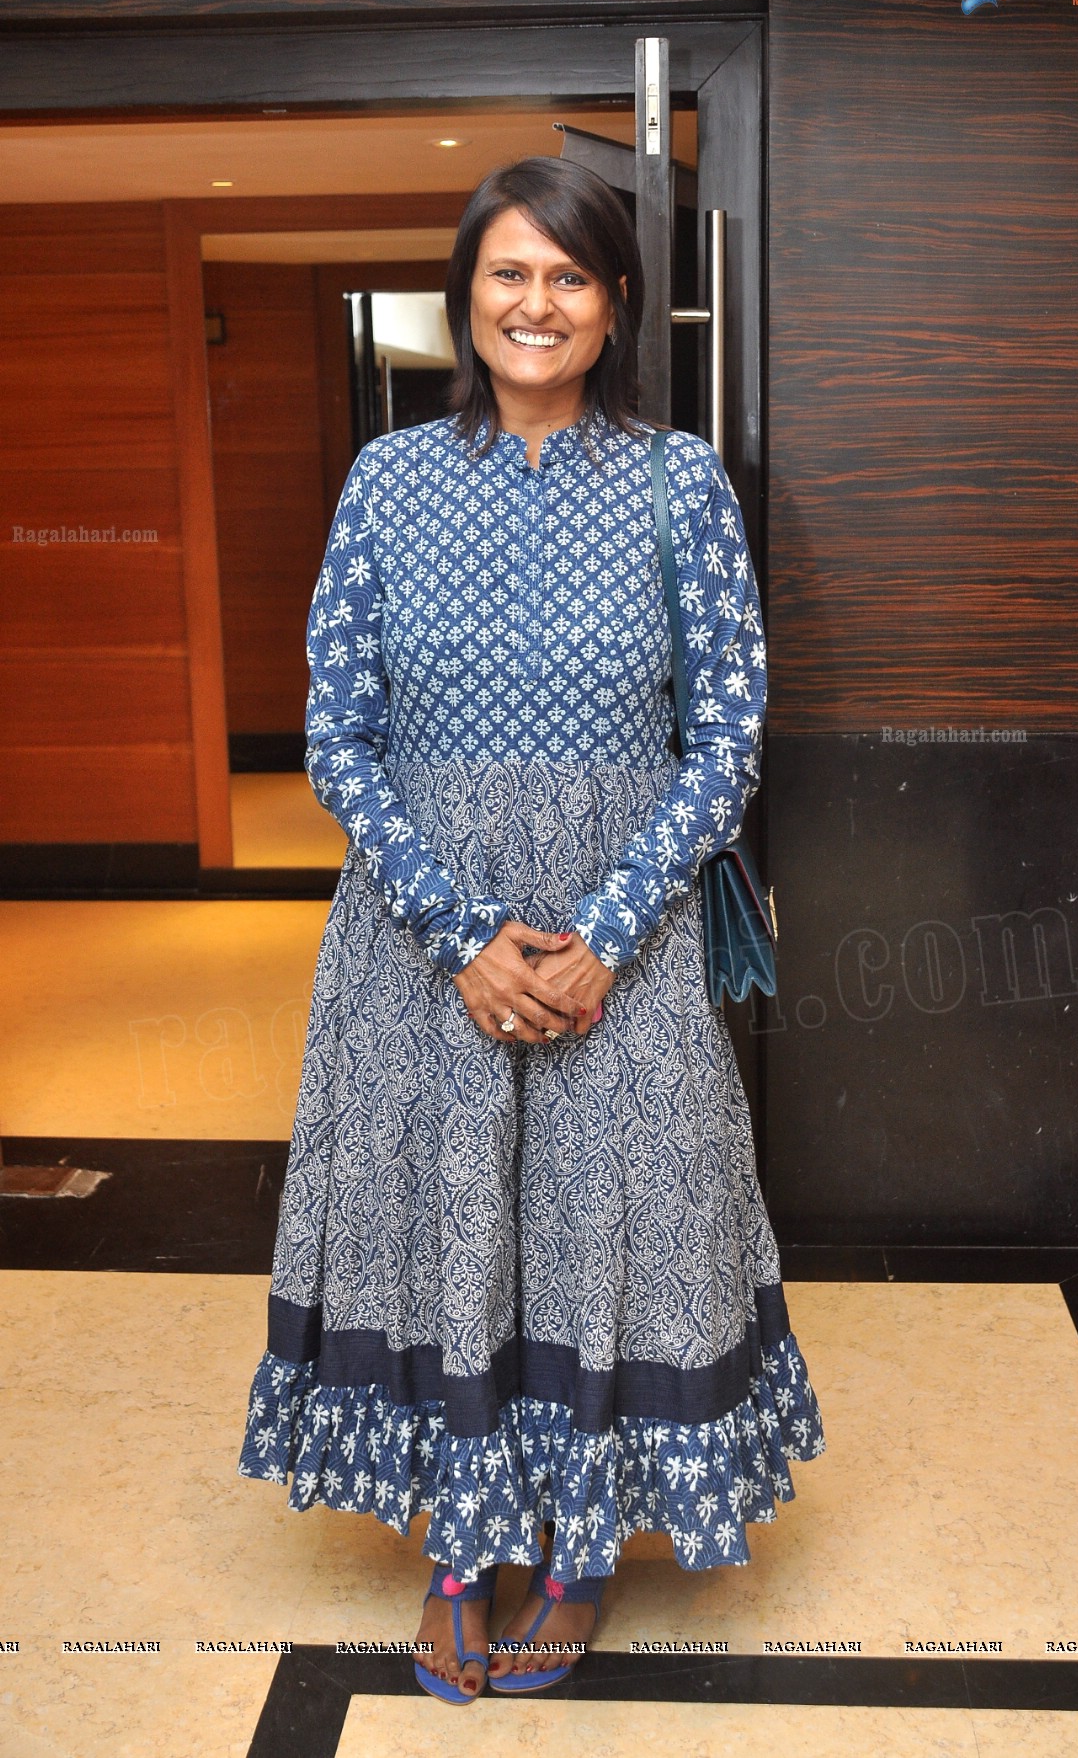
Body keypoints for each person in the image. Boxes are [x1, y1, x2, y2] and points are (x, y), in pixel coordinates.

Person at [237, 155, 825, 1705]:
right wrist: (462, 934)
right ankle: (456, 1550)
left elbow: (729, 738)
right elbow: (336, 736)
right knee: (443, 1231)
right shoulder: (389, 482)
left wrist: (611, 927)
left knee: (607, 1230)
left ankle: (573, 1551)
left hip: (618, 936)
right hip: (423, 936)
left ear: (613, 302)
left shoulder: (676, 481)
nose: (536, 302)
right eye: (508, 274)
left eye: (567, 275)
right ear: (466, 298)